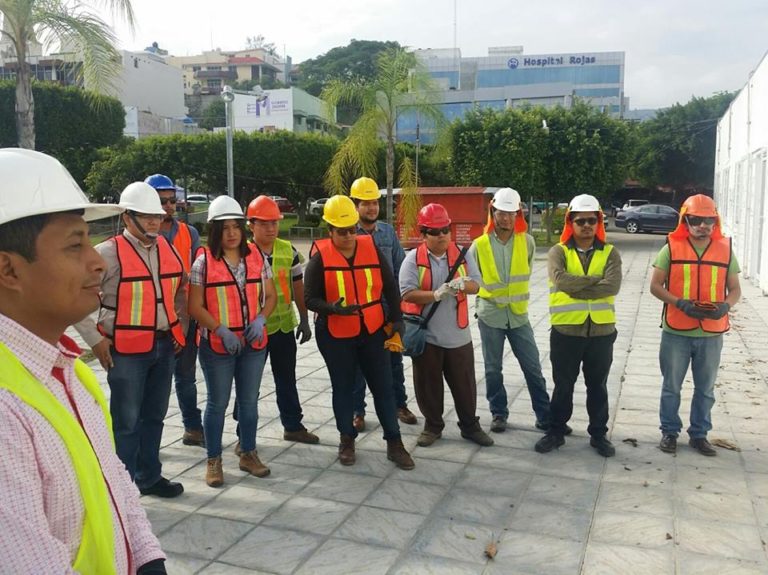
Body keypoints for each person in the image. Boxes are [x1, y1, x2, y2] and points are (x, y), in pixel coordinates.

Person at [0, 148, 167, 573]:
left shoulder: (64, 369)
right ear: (8, 270)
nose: (96, 261)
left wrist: (147, 556)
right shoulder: (6, 408)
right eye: (75, 246)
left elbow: (112, 479)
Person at [76, 182, 188, 497]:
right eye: (146, 216)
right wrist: (95, 341)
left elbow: (176, 291)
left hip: (164, 346)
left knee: (155, 416)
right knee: (126, 422)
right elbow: (75, 297)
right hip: (125, 352)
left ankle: (149, 477)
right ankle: (121, 489)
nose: (155, 222)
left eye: (158, 216)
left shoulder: (166, 247)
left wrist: (177, 327)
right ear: (127, 217)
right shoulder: (107, 253)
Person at [304, 194, 414, 470]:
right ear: (329, 230)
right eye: (341, 232)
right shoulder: (320, 258)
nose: (348, 236)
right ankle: (346, 439)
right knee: (343, 389)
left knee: (384, 389)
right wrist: (333, 309)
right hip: (335, 334)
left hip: (373, 329)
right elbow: (309, 299)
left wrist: (397, 320)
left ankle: (394, 443)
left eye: (352, 230)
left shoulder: (372, 249)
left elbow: (390, 286)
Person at [188, 196, 277, 487]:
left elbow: (271, 295)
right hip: (217, 347)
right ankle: (214, 460)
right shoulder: (204, 262)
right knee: (218, 403)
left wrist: (261, 318)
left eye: (236, 226)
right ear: (214, 230)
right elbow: (195, 306)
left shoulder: (257, 257)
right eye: (224, 228)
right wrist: (220, 330)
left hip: (252, 343)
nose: (231, 233)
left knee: (249, 402)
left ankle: (248, 452)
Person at [649, 194, 741, 456]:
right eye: (697, 220)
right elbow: (655, 286)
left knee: (706, 389)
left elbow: (734, 289)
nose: (703, 225)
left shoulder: (726, 249)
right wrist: (679, 303)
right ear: (685, 220)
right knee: (671, 387)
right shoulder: (670, 248)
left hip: (712, 333)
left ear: (716, 221)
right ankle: (669, 432)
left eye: (709, 220)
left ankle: (699, 435)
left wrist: (726, 306)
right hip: (676, 331)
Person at [469, 188, 565, 434]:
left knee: (533, 367)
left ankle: (545, 417)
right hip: (490, 315)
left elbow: (526, 271)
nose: (508, 219)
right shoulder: (478, 246)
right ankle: (498, 413)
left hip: (519, 315)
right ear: (494, 212)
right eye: (503, 213)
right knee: (492, 369)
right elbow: (473, 280)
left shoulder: (528, 242)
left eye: (513, 213)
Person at [400, 203, 495, 448]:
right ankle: (432, 426)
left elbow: (477, 285)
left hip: (458, 335)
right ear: (423, 234)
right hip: (428, 336)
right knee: (428, 383)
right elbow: (407, 293)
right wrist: (435, 294)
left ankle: (470, 426)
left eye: (445, 229)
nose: (442, 235)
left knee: (465, 384)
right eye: (434, 231)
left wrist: (464, 284)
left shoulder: (464, 254)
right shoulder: (413, 259)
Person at [535, 194, 622, 458]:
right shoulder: (557, 252)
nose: (586, 225)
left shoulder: (610, 252)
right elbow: (561, 282)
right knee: (563, 385)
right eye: (580, 220)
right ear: (570, 222)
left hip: (601, 332)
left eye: (591, 220)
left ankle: (598, 435)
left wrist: (580, 286)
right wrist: (594, 280)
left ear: (598, 222)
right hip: (566, 331)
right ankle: (556, 431)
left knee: (598, 386)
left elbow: (613, 286)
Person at [245, 195, 318, 444]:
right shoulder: (242, 254)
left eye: (274, 223)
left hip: (283, 328)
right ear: (251, 225)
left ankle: (293, 425)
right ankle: (243, 435)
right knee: (248, 385)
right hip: (253, 330)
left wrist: (305, 320)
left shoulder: (289, 252)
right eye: (264, 223)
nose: (271, 228)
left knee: (286, 378)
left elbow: (298, 288)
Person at [349, 177, 417, 432]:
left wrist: (397, 306)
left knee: (393, 362)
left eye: (374, 202)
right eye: (365, 203)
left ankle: (399, 405)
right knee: (357, 366)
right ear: (355, 205)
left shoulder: (387, 232)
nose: (371, 208)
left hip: (387, 310)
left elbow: (400, 267)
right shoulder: (348, 233)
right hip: (359, 313)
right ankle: (358, 411)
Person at [145, 174, 204, 448]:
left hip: (184, 317)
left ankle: (193, 427)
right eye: (162, 201)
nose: (169, 206)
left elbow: (198, 275)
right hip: (150, 321)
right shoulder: (141, 236)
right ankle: (147, 442)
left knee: (186, 377)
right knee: (151, 384)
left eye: (172, 200)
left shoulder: (188, 234)